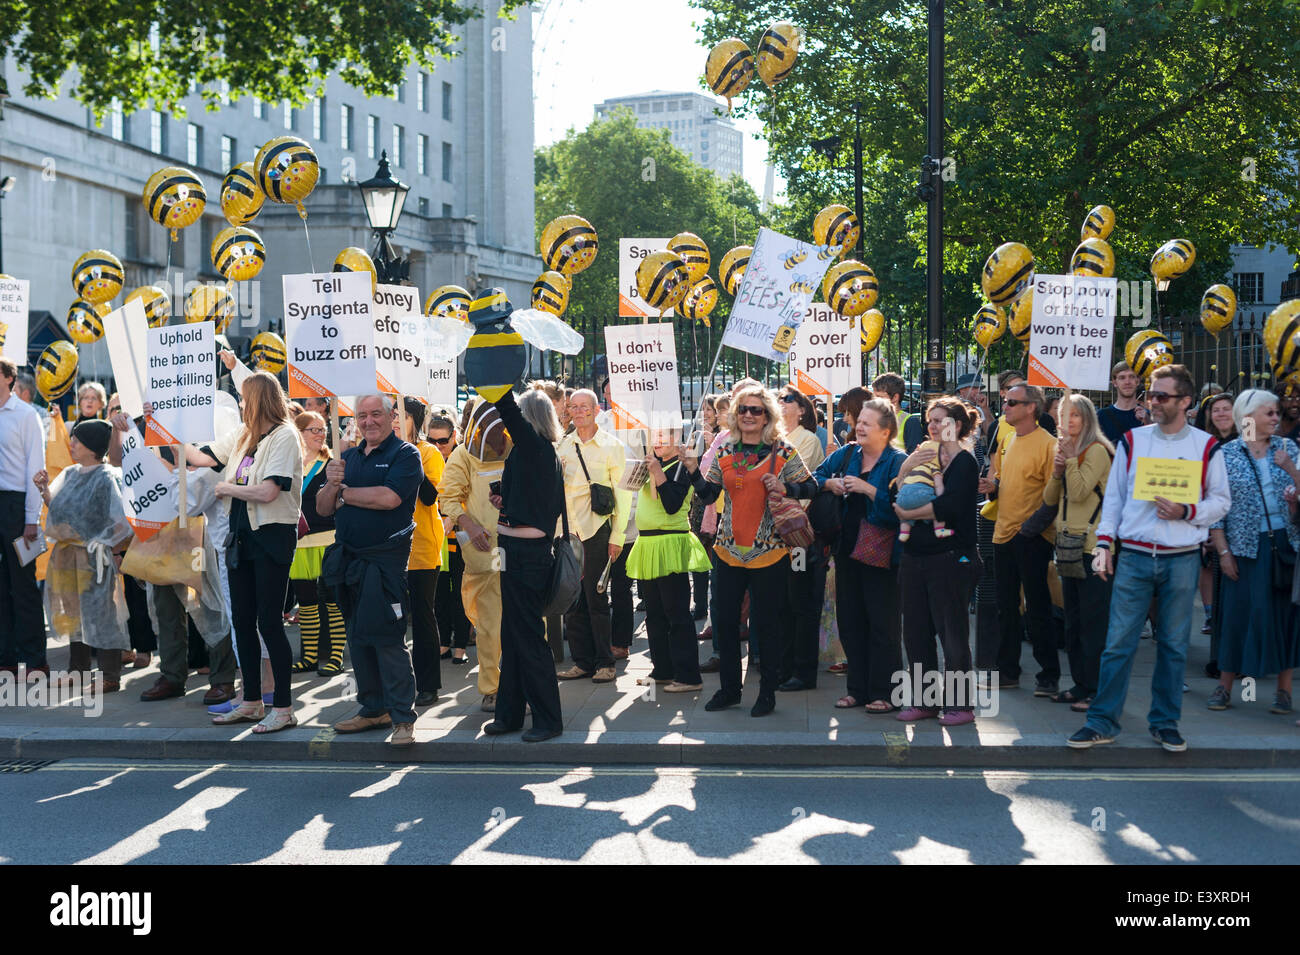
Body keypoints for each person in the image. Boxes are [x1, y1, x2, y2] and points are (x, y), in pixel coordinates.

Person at [1069, 364, 1231, 752]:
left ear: (1186, 402)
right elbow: (1115, 498)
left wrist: (1187, 512)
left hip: (1182, 558)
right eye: (1151, 395)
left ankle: (1165, 723)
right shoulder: (1132, 441)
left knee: (1174, 646)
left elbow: (1221, 501)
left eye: (1161, 396)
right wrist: (1104, 546)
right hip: (1136, 556)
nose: (1152, 402)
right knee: (1118, 643)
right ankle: (1102, 721)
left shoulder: (1206, 446)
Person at [183, 372, 303, 734]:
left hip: (270, 538)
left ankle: (282, 706)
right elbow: (197, 458)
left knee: (268, 622)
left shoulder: (284, 436)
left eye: (244, 399)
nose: (240, 405)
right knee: (243, 622)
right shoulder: (244, 436)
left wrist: (228, 488)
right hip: (241, 539)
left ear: (260, 400)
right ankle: (251, 701)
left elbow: (269, 492)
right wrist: (159, 424)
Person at [686, 384, 816, 716]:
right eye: (743, 409)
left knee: (768, 626)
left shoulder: (782, 451)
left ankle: (767, 694)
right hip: (728, 550)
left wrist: (786, 486)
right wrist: (691, 472)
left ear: (768, 416)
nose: (748, 415)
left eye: (756, 410)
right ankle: (730, 690)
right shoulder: (725, 450)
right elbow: (708, 493)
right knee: (726, 623)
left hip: (770, 552)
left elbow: (812, 485)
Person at [318, 395, 422, 746]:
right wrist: (332, 484)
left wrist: (343, 493)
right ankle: (372, 708)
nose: (368, 421)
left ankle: (403, 718)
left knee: (388, 639)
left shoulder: (406, 454)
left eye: (376, 414)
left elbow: (389, 498)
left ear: (393, 416)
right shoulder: (344, 458)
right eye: (362, 415)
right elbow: (320, 508)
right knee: (358, 637)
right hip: (349, 563)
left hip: (385, 563)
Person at [1207, 390, 1300, 715]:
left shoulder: (1289, 449)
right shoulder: (1227, 454)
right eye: (1269, 413)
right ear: (1249, 417)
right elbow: (1217, 509)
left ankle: (1284, 692)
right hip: (1244, 547)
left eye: (1276, 413)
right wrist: (1223, 552)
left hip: (1286, 545)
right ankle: (1225, 686)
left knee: (1284, 617)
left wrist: (1291, 468)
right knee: (1238, 616)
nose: (1276, 418)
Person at [481, 387, 565, 742]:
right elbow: (528, 504)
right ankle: (509, 714)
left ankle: (548, 719)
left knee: (528, 637)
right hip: (514, 553)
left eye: (517, 417)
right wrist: (505, 499)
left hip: (526, 558)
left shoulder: (534, 448)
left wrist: (500, 384)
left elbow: (509, 414)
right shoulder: (533, 454)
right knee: (512, 635)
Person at [813, 398, 905, 712]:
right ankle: (857, 689)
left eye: (867, 423)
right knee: (850, 622)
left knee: (883, 623)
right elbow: (811, 479)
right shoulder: (848, 452)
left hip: (882, 554)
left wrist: (868, 490)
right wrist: (830, 483)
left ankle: (886, 692)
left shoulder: (897, 461)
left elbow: (902, 506)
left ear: (886, 430)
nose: (859, 427)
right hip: (846, 549)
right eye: (859, 421)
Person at [893, 397, 981, 724]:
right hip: (915, 556)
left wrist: (907, 513)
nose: (932, 425)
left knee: (952, 634)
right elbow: (898, 490)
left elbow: (951, 508)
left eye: (940, 420)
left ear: (956, 425)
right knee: (915, 633)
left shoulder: (964, 463)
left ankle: (960, 706)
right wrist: (907, 466)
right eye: (930, 420)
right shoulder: (923, 455)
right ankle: (925, 701)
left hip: (950, 558)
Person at [34, 419, 132, 690]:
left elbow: (120, 521)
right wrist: (45, 492)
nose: (72, 444)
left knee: (101, 614)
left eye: (77, 439)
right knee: (74, 614)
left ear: (91, 446)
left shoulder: (107, 477)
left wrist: (109, 547)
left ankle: (110, 676)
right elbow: (61, 510)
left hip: (93, 558)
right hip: (67, 557)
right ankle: (77, 671)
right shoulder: (70, 473)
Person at [982, 381, 1059, 694]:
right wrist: (993, 488)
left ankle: (1048, 673)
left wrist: (1030, 530)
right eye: (1006, 401)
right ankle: (1008, 670)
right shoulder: (1009, 438)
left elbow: (1053, 497)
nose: (1006, 406)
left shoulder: (1049, 445)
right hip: (1003, 534)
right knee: (1005, 606)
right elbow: (1007, 480)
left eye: (1013, 402)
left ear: (1031, 408)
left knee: (1038, 607)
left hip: (1032, 537)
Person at [1042, 394, 1114, 711]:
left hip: (1093, 547)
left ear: (1087, 420)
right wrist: (1058, 471)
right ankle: (1080, 683)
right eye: (1063, 416)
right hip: (1068, 545)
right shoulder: (1065, 452)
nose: (1068, 422)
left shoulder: (1097, 451)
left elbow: (1083, 489)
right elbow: (1049, 498)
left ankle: (1097, 689)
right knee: (1072, 621)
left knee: (1093, 623)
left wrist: (1070, 460)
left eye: (1075, 416)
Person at [555, 388, 631, 684]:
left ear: (596, 409)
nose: (579, 411)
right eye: (573, 407)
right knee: (571, 601)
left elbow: (622, 496)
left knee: (597, 599)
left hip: (597, 530)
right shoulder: (562, 445)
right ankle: (582, 661)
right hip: (567, 532)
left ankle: (605, 662)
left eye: (584, 406)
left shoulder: (612, 446)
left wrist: (618, 535)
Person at [626, 433, 710, 692]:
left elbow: (673, 504)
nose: (659, 440)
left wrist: (658, 474)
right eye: (656, 435)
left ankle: (688, 676)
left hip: (670, 542)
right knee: (654, 613)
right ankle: (662, 669)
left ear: (677, 438)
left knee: (677, 612)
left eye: (665, 435)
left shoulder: (681, 468)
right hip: (648, 543)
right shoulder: (653, 462)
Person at [439, 399, 508, 711]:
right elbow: (448, 498)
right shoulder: (464, 454)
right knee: (491, 624)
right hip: (486, 553)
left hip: (522, 551)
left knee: (529, 622)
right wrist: (468, 523)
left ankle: (526, 683)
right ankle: (492, 688)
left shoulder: (520, 446)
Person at [776, 384, 828, 691]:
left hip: (796, 536)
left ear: (802, 409)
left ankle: (802, 669)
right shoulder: (772, 440)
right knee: (780, 602)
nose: (781, 405)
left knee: (799, 602)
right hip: (773, 539)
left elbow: (793, 482)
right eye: (778, 400)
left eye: (788, 400)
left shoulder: (806, 440)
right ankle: (783, 665)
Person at [289, 410, 346, 675]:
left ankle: (336, 656)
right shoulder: (290, 464)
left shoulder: (332, 463)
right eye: (314, 429)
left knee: (333, 599)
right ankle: (309, 657)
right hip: (299, 543)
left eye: (323, 429)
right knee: (307, 602)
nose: (320, 434)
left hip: (328, 539)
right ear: (299, 434)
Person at [0, 357, 47, 677]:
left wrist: (33, 517)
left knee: (24, 584)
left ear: (8, 379)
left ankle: (35, 660)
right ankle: (5, 657)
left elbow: (36, 467)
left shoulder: (26, 415)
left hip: (17, 506)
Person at [400, 397, 445, 707]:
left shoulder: (428, 452)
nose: (391, 420)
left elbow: (430, 498)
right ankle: (399, 681)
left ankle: (428, 684)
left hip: (421, 548)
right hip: (388, 549)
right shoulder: (378, 450)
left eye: (398, 415)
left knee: (423, 616)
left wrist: (410, 458)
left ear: (414, 420)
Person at [429, 411, 471, 664]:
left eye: (442, 441)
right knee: (440, 593)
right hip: (435, 535)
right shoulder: (427, 457)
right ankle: (443, 642)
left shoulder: (463, 456)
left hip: (461, 534)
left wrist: (453, 517)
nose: (437, 446)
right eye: (431, 440)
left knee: (461, 592)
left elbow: (470, 492)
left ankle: (461, 646)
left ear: (454, 436)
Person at [1195, 391, 1237, 641]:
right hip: (1209, 517)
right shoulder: (1204, 443)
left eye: (1226, 408)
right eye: (1216, 409)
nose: (1221, 413)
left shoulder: (1244, 440)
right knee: (1208, 568)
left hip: (1237, 521)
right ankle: (1211, 616)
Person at [872, 372, 922, 452]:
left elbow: (914, 458)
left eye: (880, 397)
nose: (875, 401)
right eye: (874, 397)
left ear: (895, 397)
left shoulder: (910, 422)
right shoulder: (872, 420)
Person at [1097, 361, 1143, 444]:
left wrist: (1148, 422)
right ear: (1114, 382)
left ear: (1138, 381)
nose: (1127, 382)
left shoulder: (1147, 416)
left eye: (1132, 377)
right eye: (1122, 378)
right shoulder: (1101, 416)